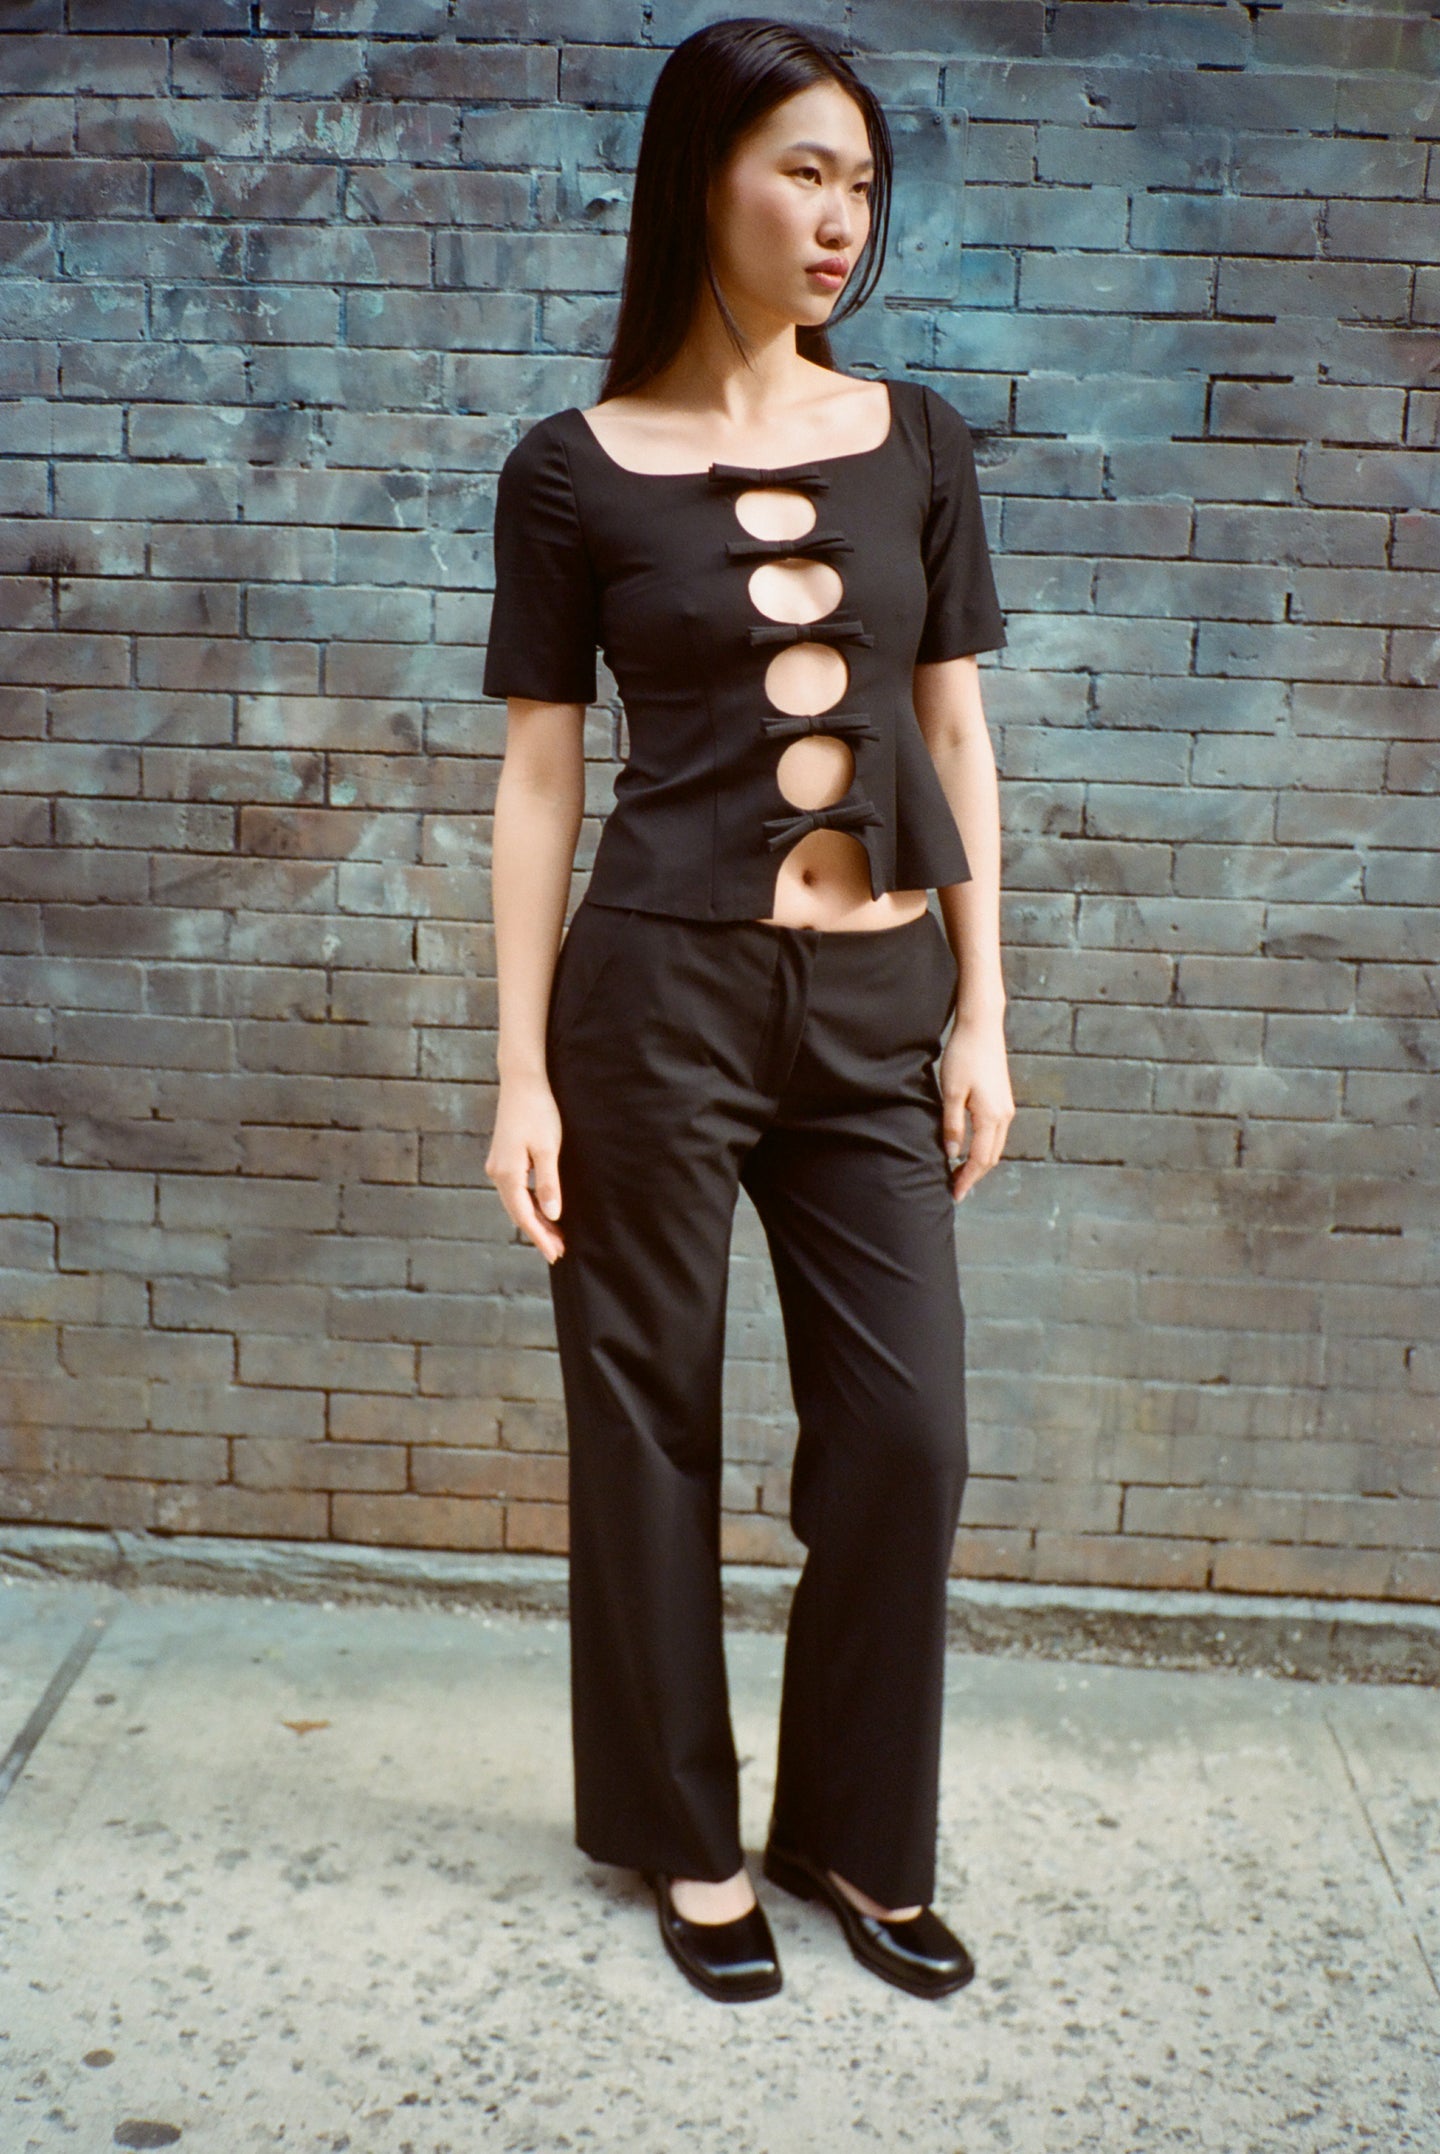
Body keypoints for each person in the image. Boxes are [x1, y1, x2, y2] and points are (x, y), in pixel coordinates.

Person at [482, 17, 1013, 2005]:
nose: (840, 217)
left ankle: (854, 1832)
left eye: (861, 183)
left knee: (907, 1433)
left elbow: (955, 728)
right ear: (700, 178)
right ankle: (684, 1838)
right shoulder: (570, 471)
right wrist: (520, 1073)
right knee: (646, 1425)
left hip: (877, 1004)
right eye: (803, 170)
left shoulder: (919, 442)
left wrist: (985, 1014)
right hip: (656, 1001)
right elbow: (540, 776)